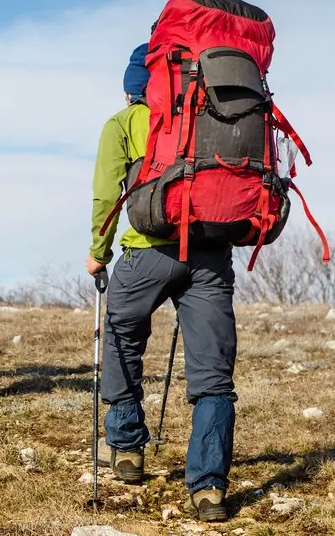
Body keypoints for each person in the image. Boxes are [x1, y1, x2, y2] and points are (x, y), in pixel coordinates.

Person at [88, 42, 237, 522]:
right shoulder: (215, 109)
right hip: (211, 254)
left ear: (135, 86)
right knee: (213, 374)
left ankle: (128, 449)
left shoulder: (123, 123)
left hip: (147, 252)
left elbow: (107, 194)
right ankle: (209, 487)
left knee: (121, 336)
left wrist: (97, 253)